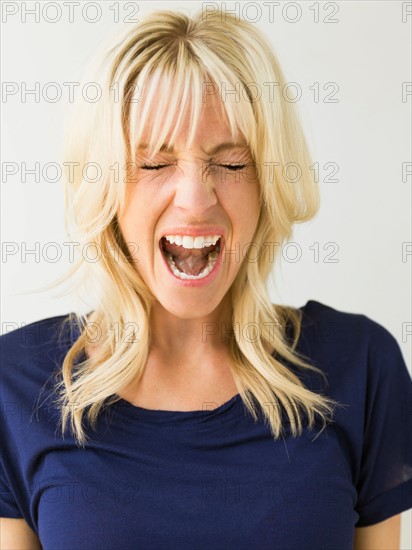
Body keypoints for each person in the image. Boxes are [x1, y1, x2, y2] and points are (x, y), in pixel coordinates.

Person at [1, 8, 411, 550]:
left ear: (269, 183)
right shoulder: (15, 385)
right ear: (104, 190)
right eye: (153, 163)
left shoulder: (361, 366)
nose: (196, 200)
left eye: (233, 162)